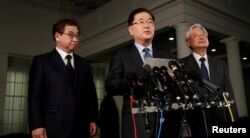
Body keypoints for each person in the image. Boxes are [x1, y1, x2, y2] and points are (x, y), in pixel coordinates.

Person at [105, 8, 175, 138]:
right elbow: (111, 85)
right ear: (131, 29)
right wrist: (133, 82)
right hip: (135, 116)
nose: (147, 25)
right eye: (141, 22)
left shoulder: (166, 54)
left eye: (150, 22)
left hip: (164, 115)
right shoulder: (121, 55)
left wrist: (172, 81)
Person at [28, 19, 99, 138]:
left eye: (77, 35)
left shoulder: (84, 64)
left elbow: (90, 95)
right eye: (71, 35)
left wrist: (93, 119)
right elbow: (35, 97)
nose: (75, 39)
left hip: (81, 126)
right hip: (53, 125)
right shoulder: (42, 61)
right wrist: (36, 125)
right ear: (57, 36)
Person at [181, 23, 239, 138]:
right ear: (188, 42)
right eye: (196, 36)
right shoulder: (182, 65)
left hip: (220, 121)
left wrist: (235, 124)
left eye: (204, 35)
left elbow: (229, 93)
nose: (202, 37)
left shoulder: (220, 64)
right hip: (196, 123)